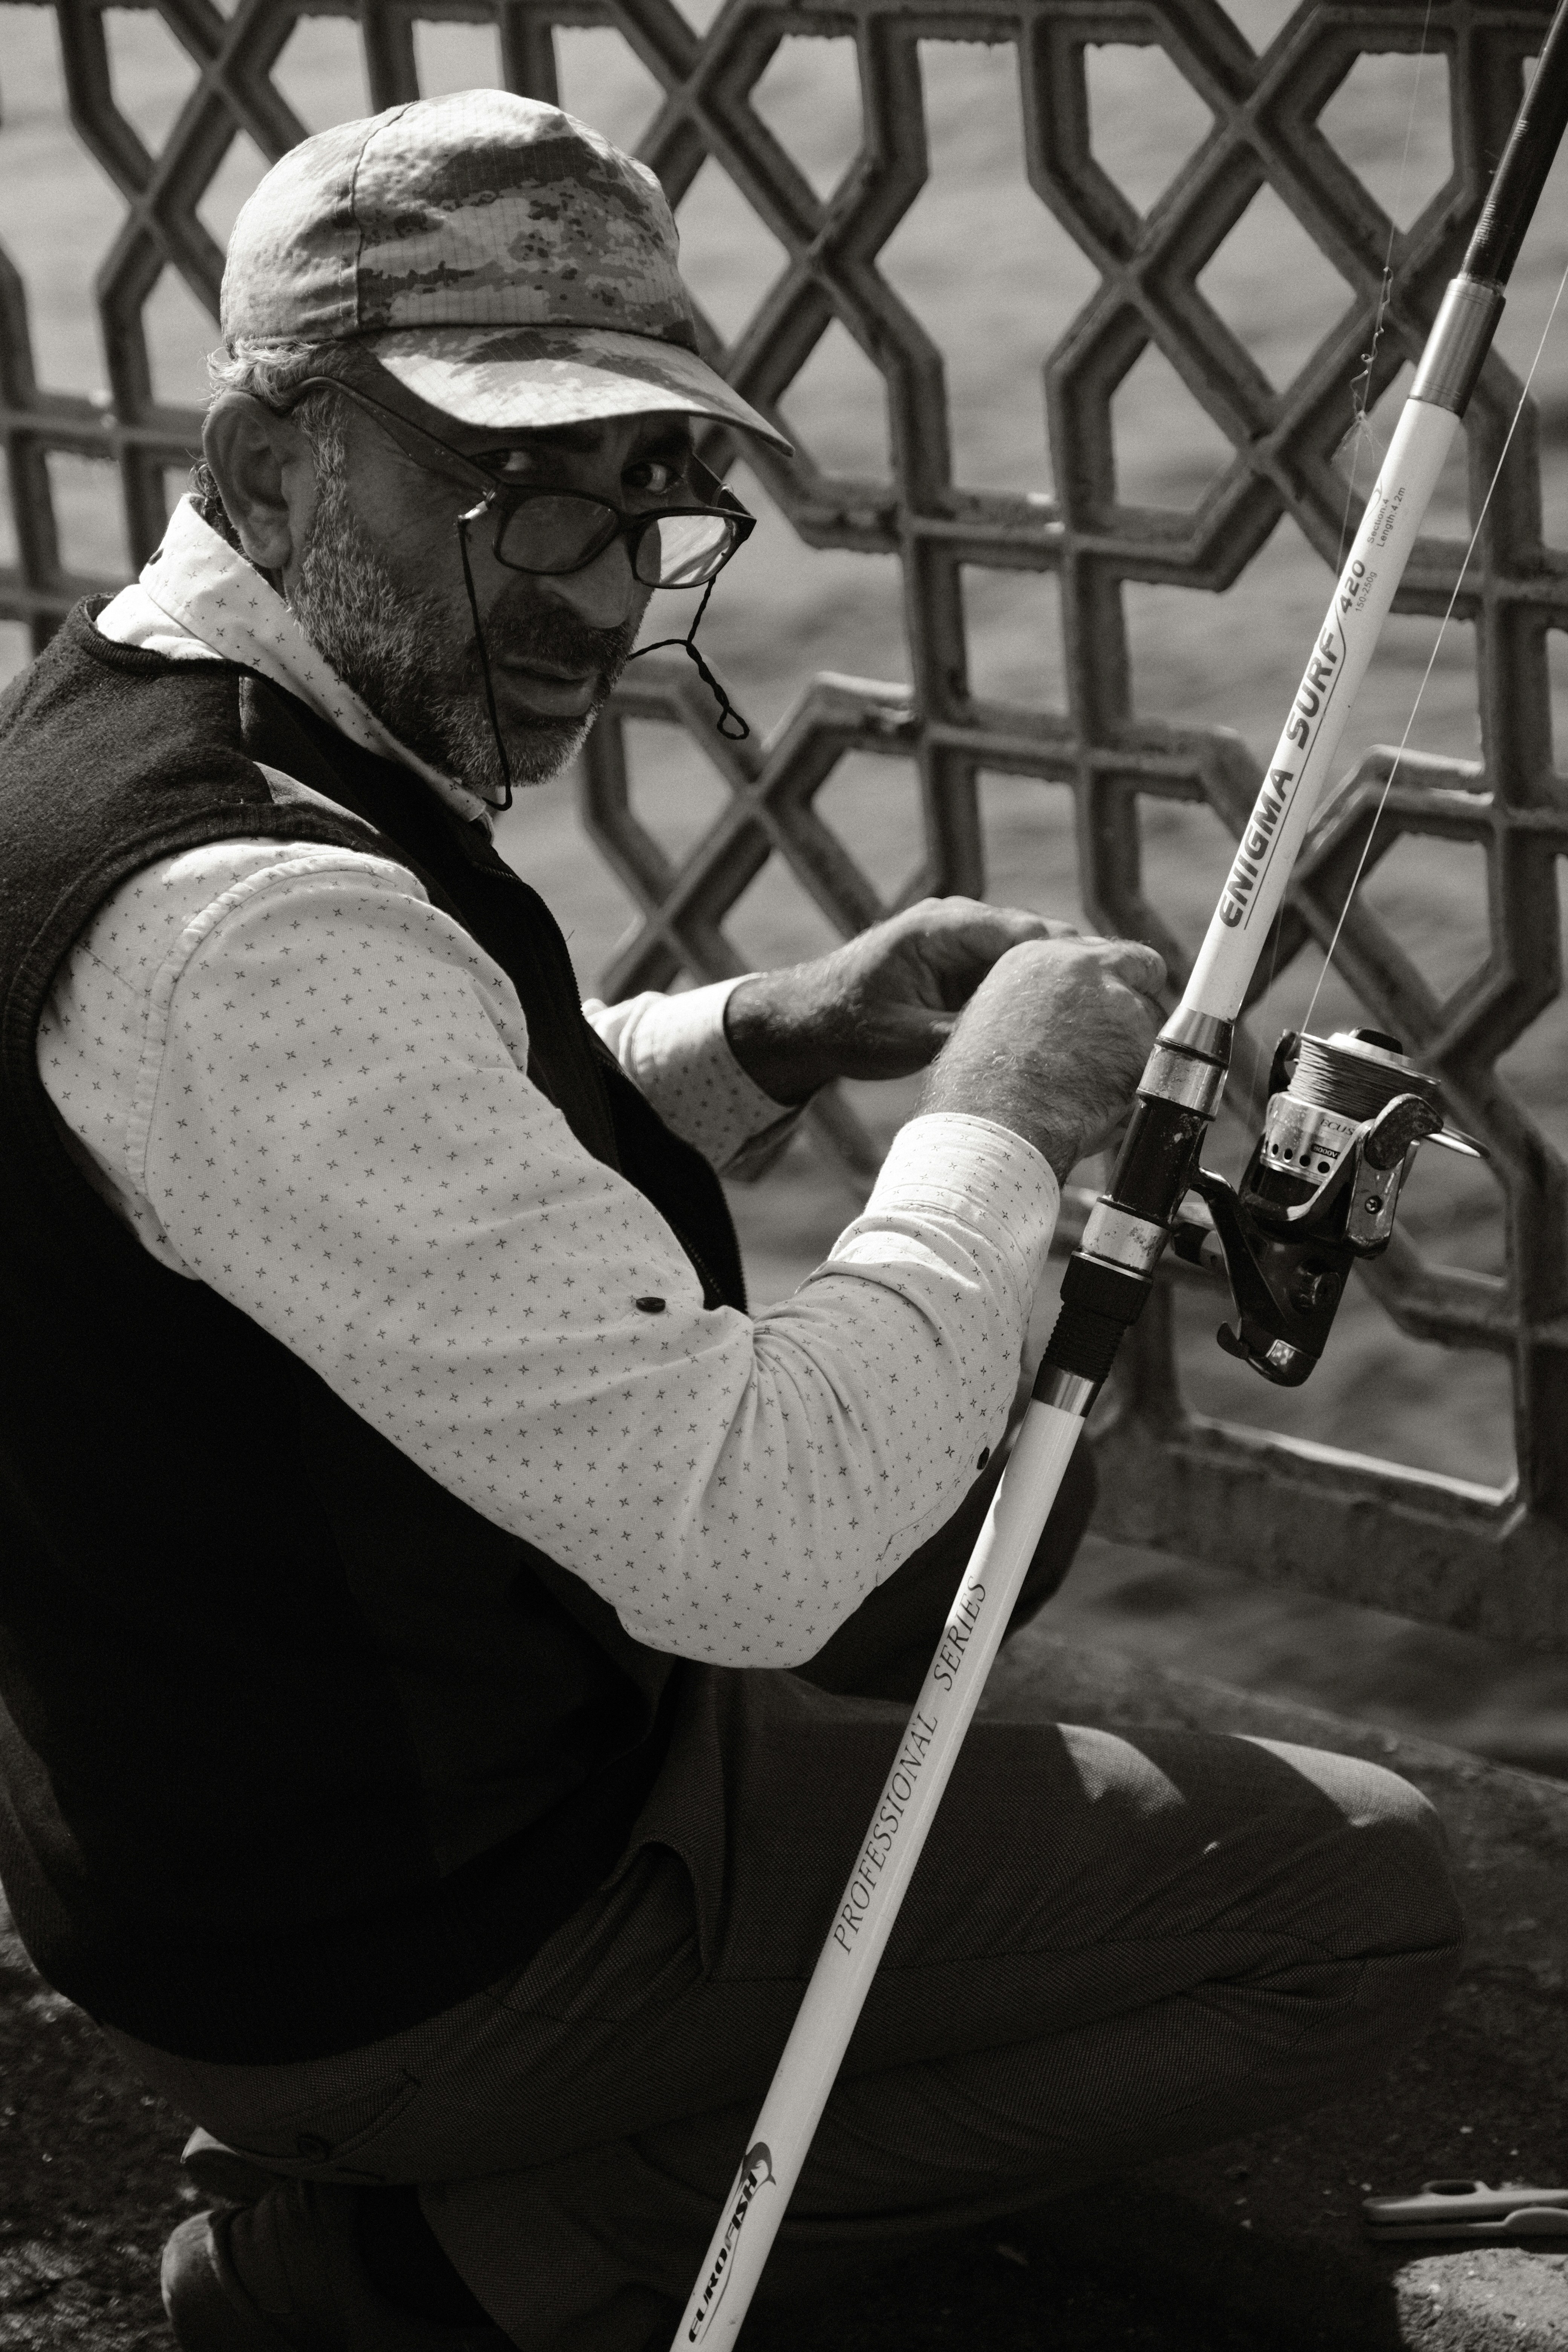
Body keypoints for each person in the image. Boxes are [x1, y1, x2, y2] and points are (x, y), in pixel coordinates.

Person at [0, 88, 1461, 2352]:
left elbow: (376, 1151)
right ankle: (422, 2259)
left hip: (238, 1830)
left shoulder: (138, 734)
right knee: (1357, 1899)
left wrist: (766, 1032)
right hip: (377, 1942)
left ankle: (487, 2138)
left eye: (649, 496)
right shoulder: (246, 930)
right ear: (272, 455)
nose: (592, 591)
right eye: (509, 492)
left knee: (968, 1513)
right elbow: (755, 1543)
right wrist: (989, 1124)